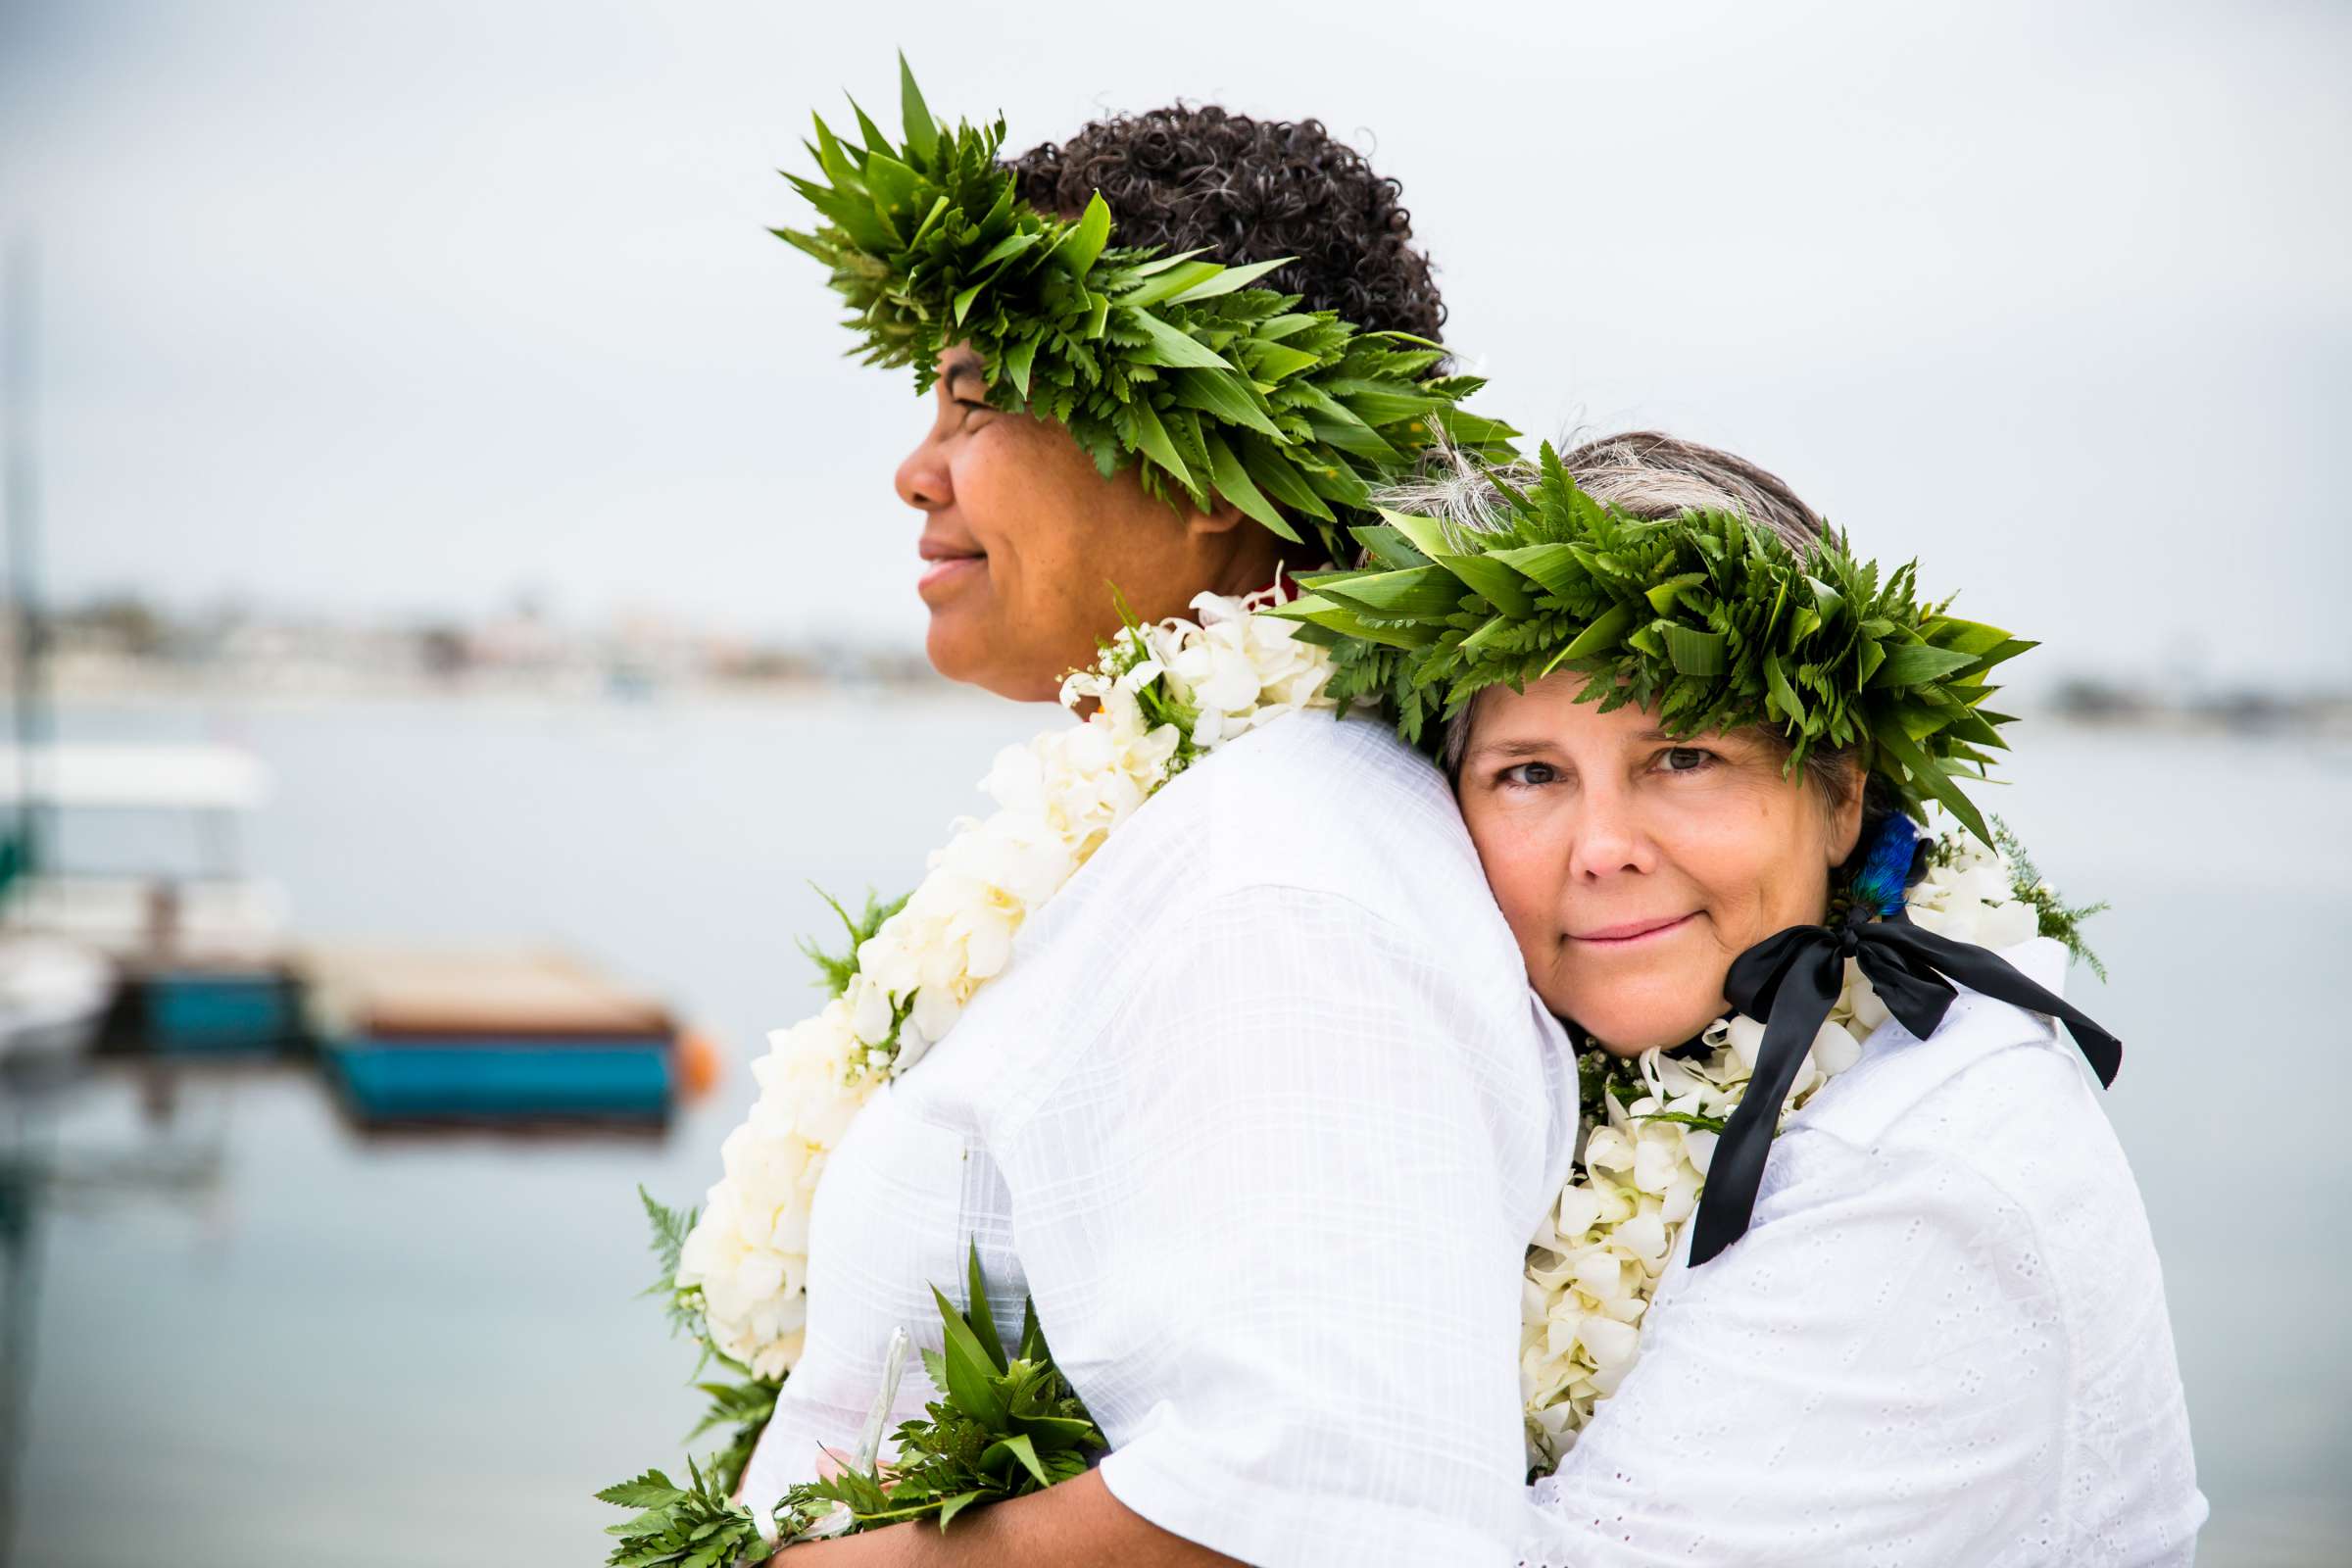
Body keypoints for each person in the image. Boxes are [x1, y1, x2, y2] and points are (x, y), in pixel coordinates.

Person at [708, 69, 1569, 1565]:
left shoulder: (1282, 865)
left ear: (1204, 474)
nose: (917, 466)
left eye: (976, 398)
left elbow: (1345, 1496)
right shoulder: (1228, 819)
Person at [1286, 433, 2208, 1565]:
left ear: (1841, 794)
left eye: (1682, 756)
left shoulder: (1925, 1175)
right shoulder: (1534, 1083)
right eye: (1530, 772)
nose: (1604, 848)